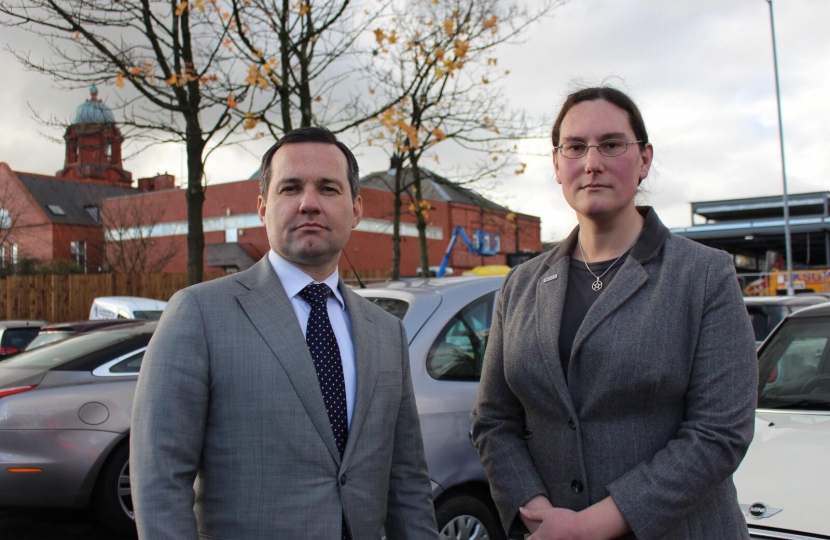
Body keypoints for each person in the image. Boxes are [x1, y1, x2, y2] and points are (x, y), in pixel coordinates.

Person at [470, 87, 757, 540]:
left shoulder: (703, 275)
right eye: (575, 147)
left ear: (644, 159)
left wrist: (590, 526)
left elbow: (719, 433)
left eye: (611, 144)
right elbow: (493, 420)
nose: (591, 162)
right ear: (556, 163)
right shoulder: (520, 285)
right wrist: (535, 506)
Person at [131, 126, 438, 540]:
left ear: (356, 208)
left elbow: (407, 483)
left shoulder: (386, 332)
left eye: (328, 189)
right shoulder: (199, 314)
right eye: (290, 188)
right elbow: (159, 479)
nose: (309, 203)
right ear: (262, 207)